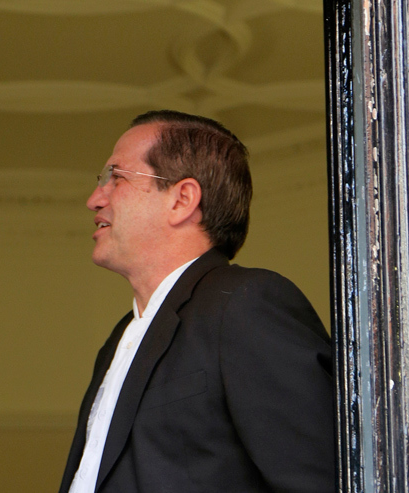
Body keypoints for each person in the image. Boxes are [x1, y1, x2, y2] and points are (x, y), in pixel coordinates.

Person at [59, 110, 335, 492]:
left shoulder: (245, 304)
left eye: (117, 178)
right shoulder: (119, 338)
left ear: (182, 199)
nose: (94, 199)